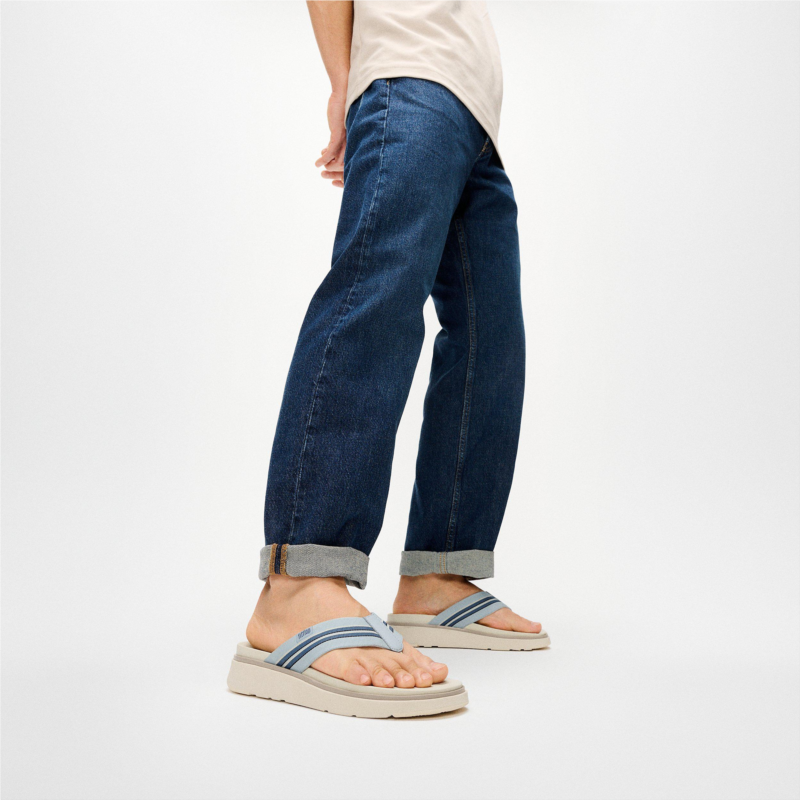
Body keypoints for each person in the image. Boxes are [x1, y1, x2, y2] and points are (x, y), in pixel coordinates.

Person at [227, 0, 549, 718]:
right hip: (410, 82)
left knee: (491, 341)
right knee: (375, 296)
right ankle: (299, 581)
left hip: (475, 118)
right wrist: (343, 87)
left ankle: (439, 573)